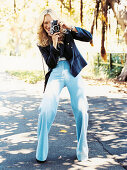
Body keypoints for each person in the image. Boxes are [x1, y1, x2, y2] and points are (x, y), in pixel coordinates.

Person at [36, 8, 92, 162]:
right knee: (46, 108)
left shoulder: (67, 32)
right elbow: (51, 64)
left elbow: (88, 37)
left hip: (73, 70)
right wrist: (53, 44)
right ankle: (41, 152)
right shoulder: (41, 41)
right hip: (56, 73)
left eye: (50, 22)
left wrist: (70, 27)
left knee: (81, 108)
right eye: (45, 23)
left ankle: (82, 151)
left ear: (56, 22)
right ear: (42, 25)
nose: (48, 26)